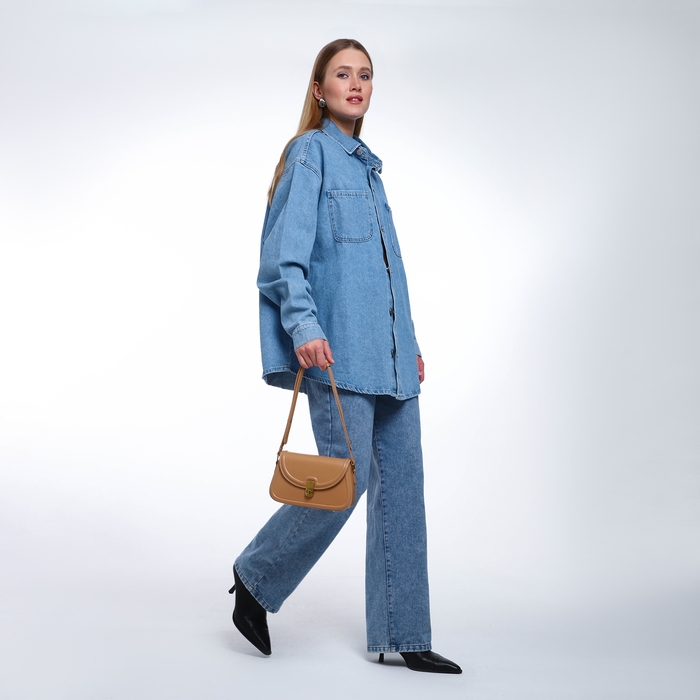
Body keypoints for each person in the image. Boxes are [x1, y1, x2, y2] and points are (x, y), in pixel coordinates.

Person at [230, 38, 461, 674]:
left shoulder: (368, 168)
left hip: (391, 357)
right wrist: (302, 325)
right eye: (342, 74)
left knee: (404, 489)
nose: (355, 84)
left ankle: (404, 634)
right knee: (344, 480)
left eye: (365, 75)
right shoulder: (311, 154)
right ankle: (255, 575)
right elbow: (282, 258)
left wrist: (408, 343)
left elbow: (385, 273)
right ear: (319, 89)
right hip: (337, 353)